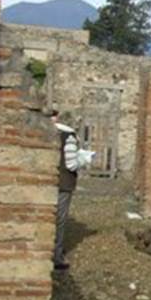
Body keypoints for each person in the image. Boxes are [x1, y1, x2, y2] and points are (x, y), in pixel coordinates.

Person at [50, 111, 89, 270]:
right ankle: (57, 257)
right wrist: (84, 159)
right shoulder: (69, 136)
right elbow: (71, 164)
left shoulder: (52, 132)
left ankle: (51, 250)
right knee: (59, 219)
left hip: (50, 181)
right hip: (64, 182)